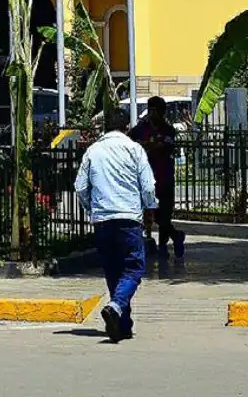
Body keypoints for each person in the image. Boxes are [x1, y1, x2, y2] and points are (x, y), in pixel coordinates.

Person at [74, 105, 157, 341]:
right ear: (126, 127)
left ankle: (122, 324)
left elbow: (80, 187)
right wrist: (149, 207)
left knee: (113, 272)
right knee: (133, 269)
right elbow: (148, 186)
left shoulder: (93, 151)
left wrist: (93, 208)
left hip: (103, 221)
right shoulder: (134, 149)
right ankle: (117, 306)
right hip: (129, 219)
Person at [130, 96, 186, 262]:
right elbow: (131, 142)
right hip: (147, 179)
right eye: (151, 109)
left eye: (156, 110)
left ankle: (163, 246)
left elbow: (166, 146)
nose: (153, 113)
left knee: (165, 215)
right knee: (153, 214)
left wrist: (150, 145)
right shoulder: (140, 129)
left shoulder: (168, 129)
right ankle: (175, 236)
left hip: (165, 178)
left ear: (162, 112)